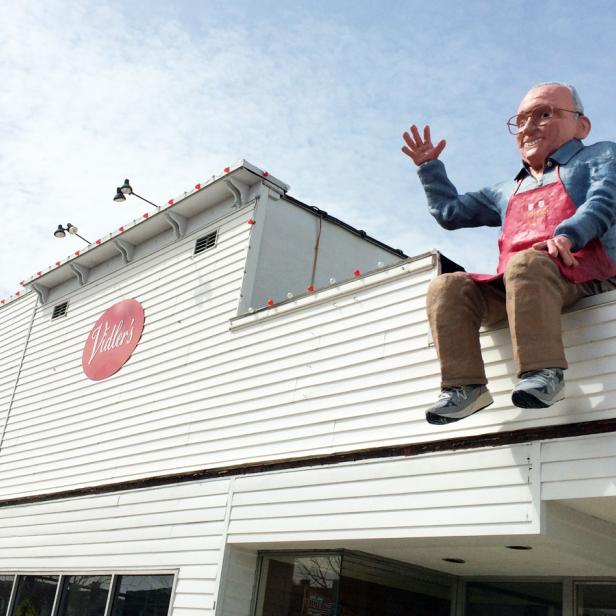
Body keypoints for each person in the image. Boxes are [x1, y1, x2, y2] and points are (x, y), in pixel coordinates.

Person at [401, 82, 616, 425]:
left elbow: (605, 200)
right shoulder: (505, 189)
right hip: (521, 281)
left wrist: (568, 235)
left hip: (583, 272)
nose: (528, 127)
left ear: (581, 125)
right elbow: (450, 212)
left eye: (544, 115)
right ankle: (464, 386)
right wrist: (429, 168)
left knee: (527, 262)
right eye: (520, 120)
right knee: (447, 286)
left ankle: (544, 372)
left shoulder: (600, 156)